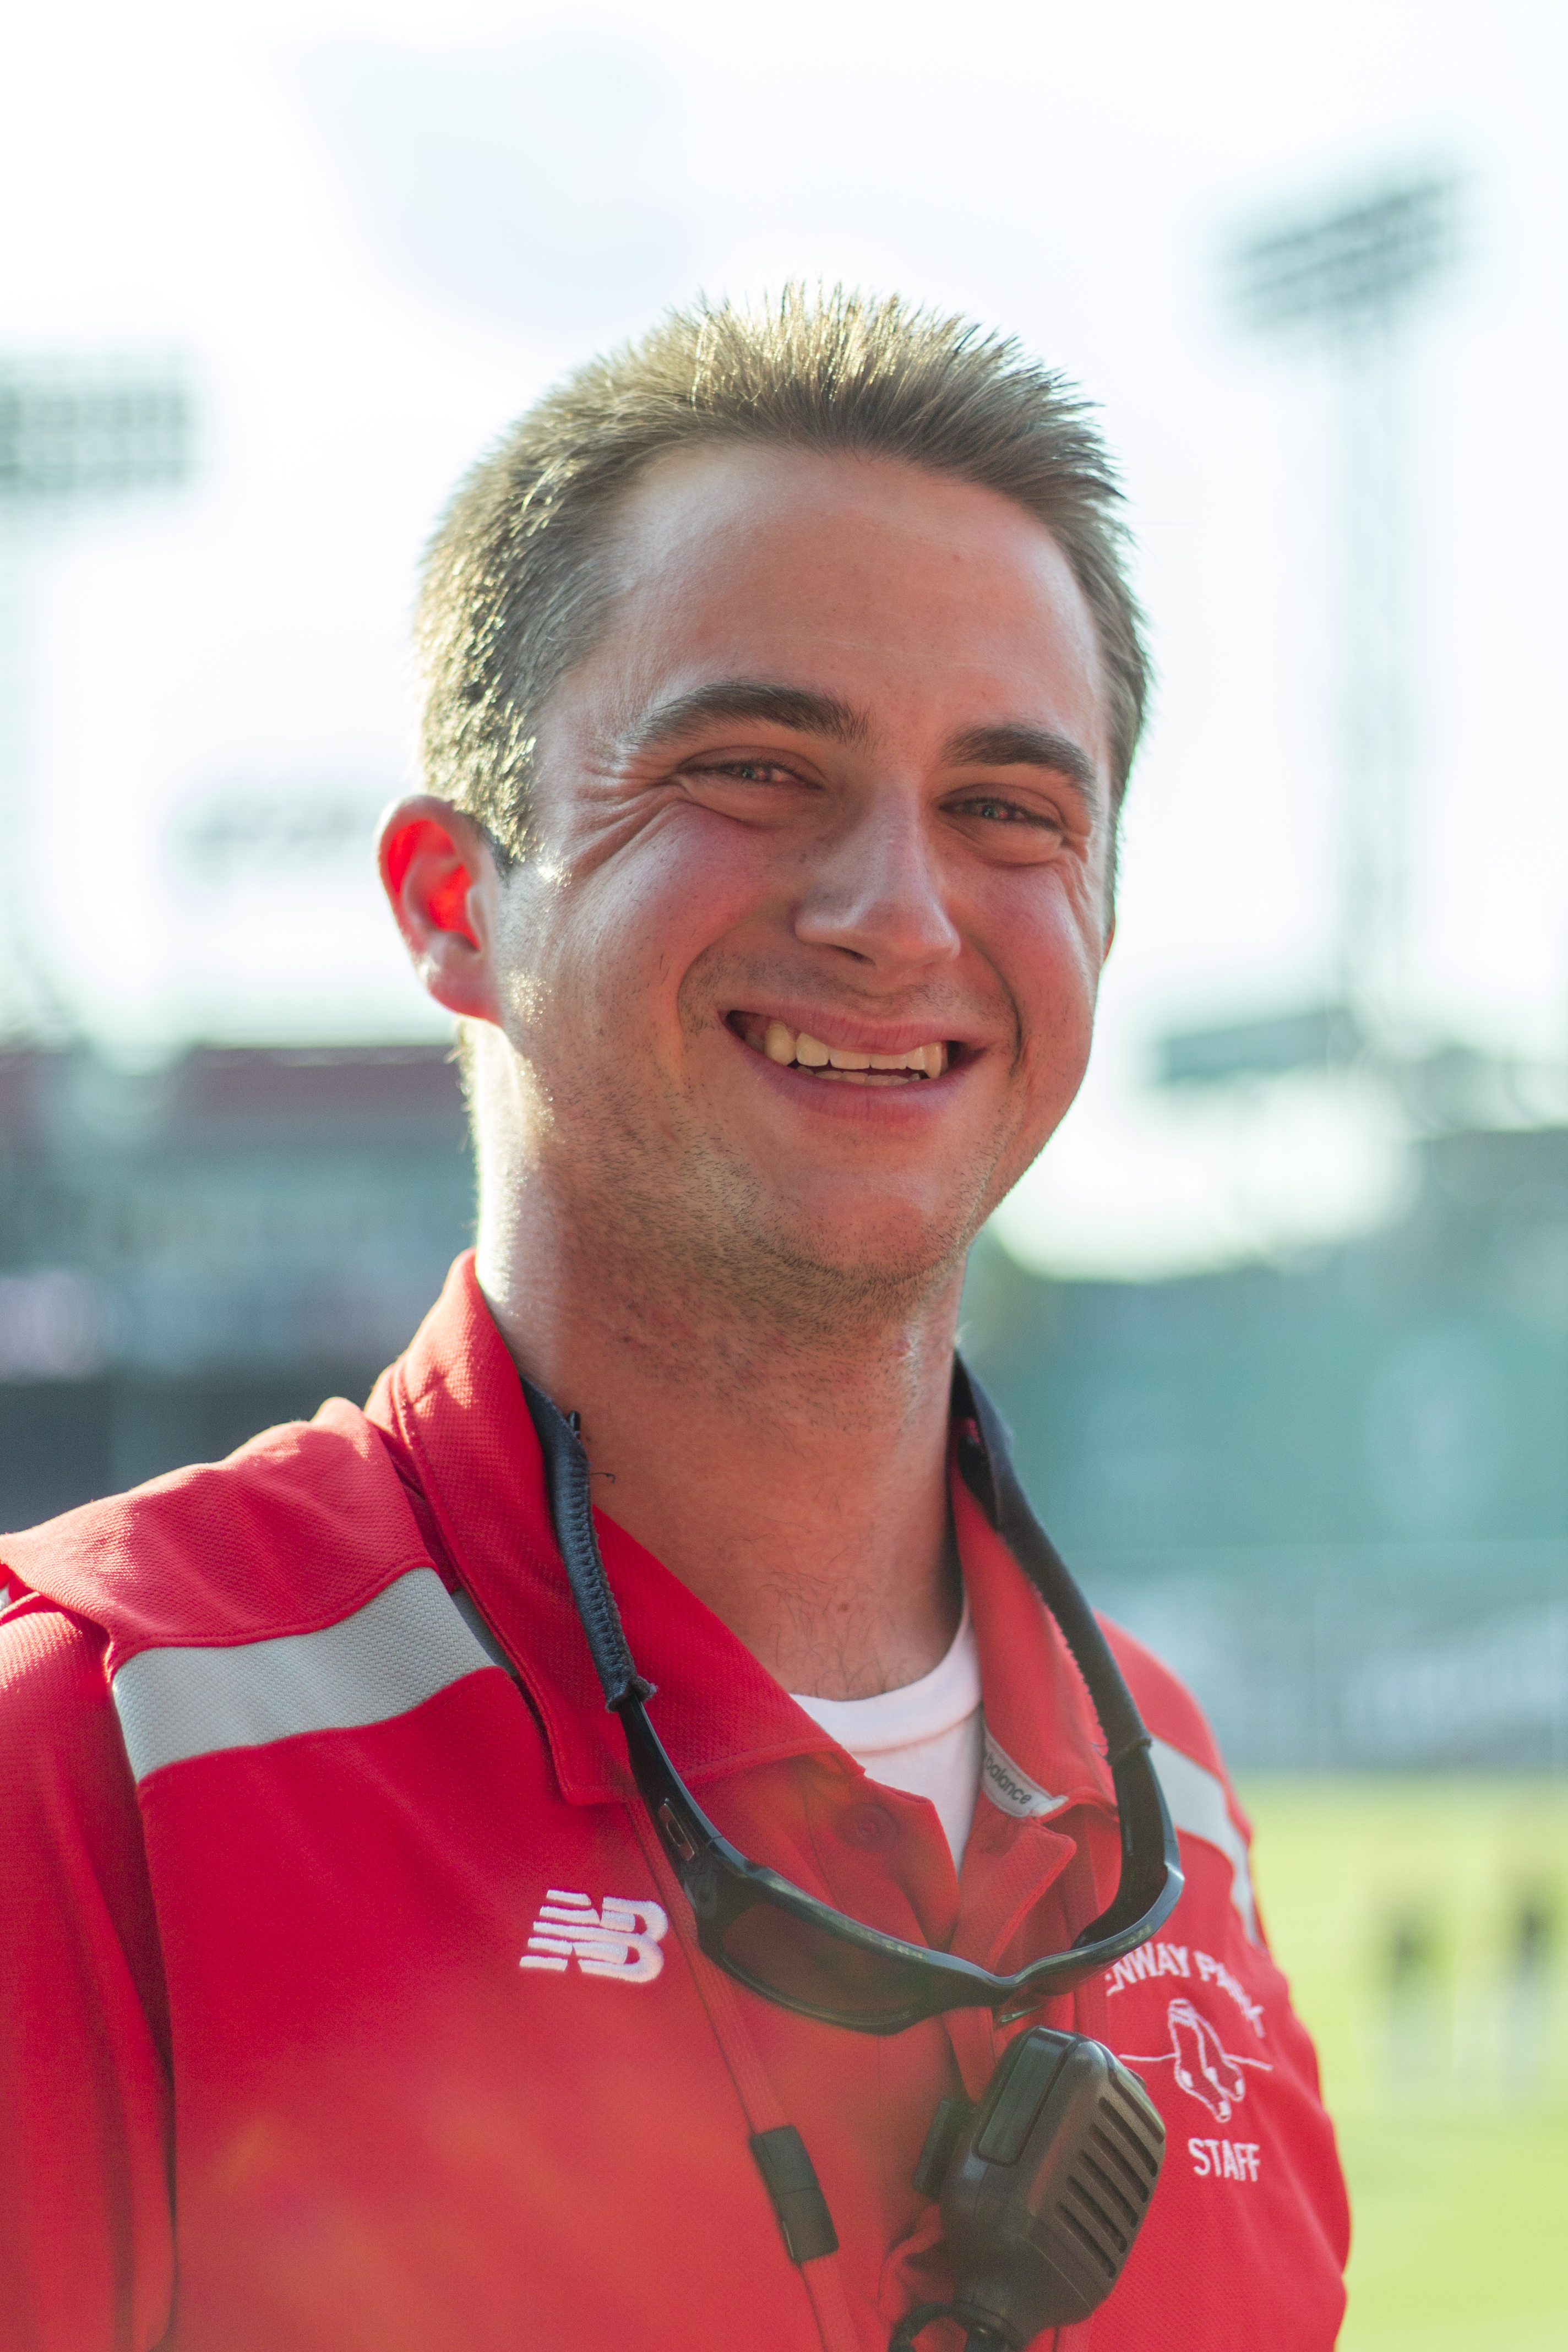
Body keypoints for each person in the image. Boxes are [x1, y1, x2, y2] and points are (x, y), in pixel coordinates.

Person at [0, 288, 1349, 2351]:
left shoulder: (1176, 1806)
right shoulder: (89, 1759)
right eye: (753, 767)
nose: (895, 909)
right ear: (459, 906)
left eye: (1010, 809)